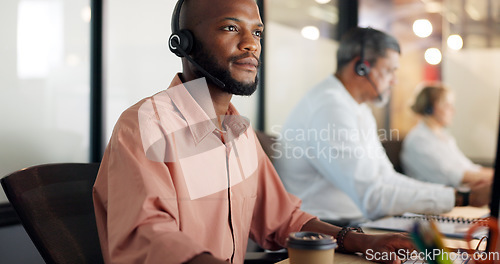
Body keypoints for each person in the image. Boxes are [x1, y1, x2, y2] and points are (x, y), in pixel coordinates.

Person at [93, 1, 415, 264]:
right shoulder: (145, 125)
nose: (251, 44)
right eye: (231, 28)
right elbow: (150, 239)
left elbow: (284, 220)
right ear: (184, 43)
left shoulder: (239, 133)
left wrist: (359, 240)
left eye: (257, 32)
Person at [274, 27, 490, 225]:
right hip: (323, 232)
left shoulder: (357, 109)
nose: (394, 81)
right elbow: (373, 197)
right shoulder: (330, 107)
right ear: (361, 67)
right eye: (390, 71)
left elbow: (387, 178)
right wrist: (463, 198)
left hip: (354, 223)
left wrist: (453, 194)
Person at [400, 83, 493, 189]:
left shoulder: (445, 137)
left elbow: (470, 168)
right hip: (437, 201)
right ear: (429, 108)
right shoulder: (419, 140)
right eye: (448, 105)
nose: (453, 111)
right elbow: (455, 175)